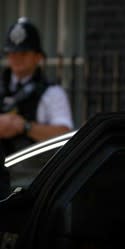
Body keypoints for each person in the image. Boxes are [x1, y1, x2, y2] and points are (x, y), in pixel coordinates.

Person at [0, 17, 74, 155]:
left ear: (38, 57)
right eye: (13, 53)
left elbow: (65, 137)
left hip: (35, 172)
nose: (17, 58)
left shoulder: (53, 93)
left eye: (24, 53)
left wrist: (25, 127)